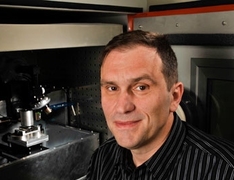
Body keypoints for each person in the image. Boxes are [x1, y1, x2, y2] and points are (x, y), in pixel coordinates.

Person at [86, 30, 234, 180]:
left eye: (141, 87)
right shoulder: (103, 157)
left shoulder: (225, 171)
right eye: (112, 88)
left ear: (175, 97)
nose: (122, 107)